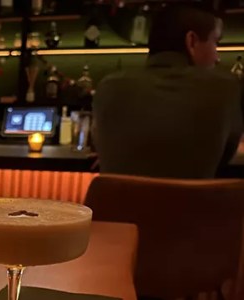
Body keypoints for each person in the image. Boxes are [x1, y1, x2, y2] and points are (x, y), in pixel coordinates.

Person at [93, 5, 243, 179]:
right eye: (215, 42)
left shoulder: (108, 87)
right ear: (192, 42)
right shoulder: (225, 87)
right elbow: (224, 157)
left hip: (117, 198)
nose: (217, 57)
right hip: (192, 198)